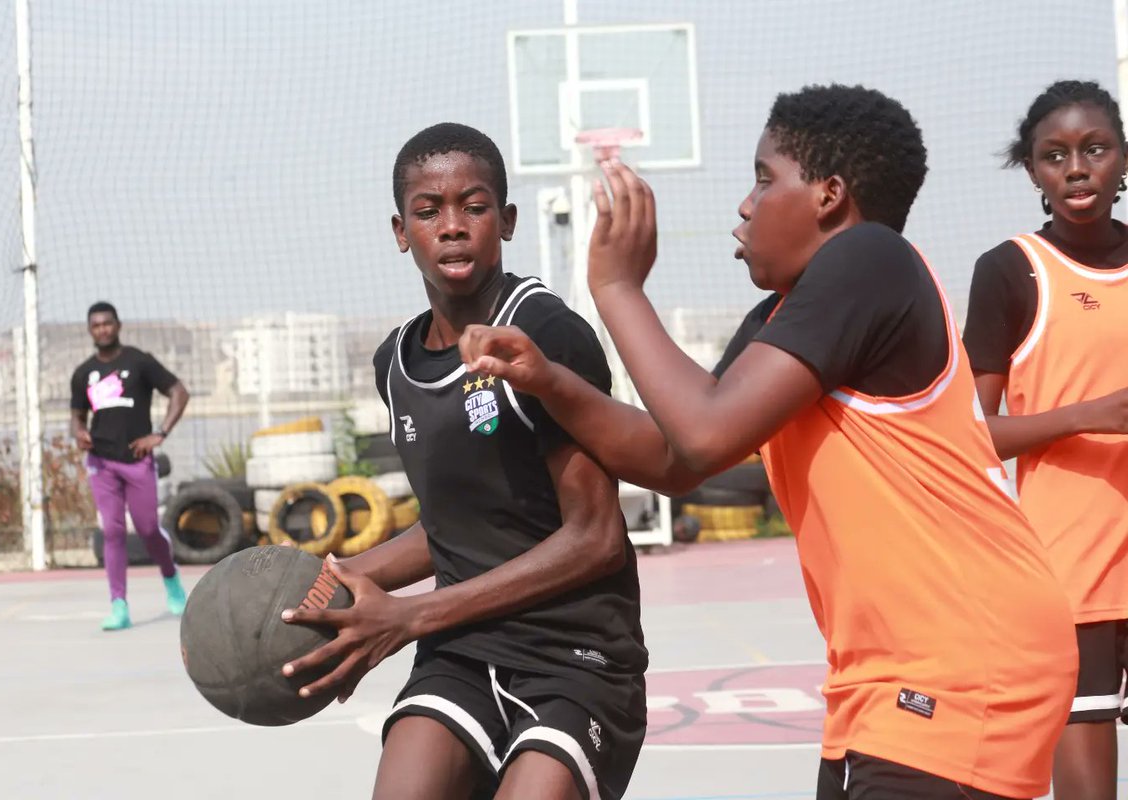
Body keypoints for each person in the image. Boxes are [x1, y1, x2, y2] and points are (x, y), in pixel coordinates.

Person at [461, 85, 1077, 799]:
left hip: (966, 659)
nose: (746, 205)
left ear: (829, 195)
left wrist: (618, 288)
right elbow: (676, 459)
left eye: (763, 178)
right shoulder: (790, 314)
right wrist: (550, 381)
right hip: (885, 675)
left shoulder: (871, 259)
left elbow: (703, 430)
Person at [281, 123, 647, 800]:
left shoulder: (546, 334)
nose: (452, 227)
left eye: (473, 207)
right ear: (400, 231)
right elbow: (453, 524)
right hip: (463, 652)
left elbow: (595, 538)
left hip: (576, 659)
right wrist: (332, 578)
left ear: (505, 221)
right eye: (428, 211)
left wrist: (410, 616)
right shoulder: (396, 363)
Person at [962, 79, 1128, 800]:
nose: (1077, 167)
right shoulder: (1010, 272)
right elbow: (967, 438)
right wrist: (1086, 414)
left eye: (1095, 149)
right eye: (1055, 155)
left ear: (1122, 158)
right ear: (1032, 170)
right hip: (1072, 569)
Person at [70, 301, 190, 631]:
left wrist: (160, 433)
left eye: (107, 323)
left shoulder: (139, 362)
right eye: (96, 325)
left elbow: (179, 391)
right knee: (112, 530)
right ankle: (119, 605)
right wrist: (79, 432)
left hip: (137, 459)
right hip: (101, 462)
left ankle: (171, 579)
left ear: (118, 325)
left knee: (148, 528)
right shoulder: (84, 373)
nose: (102, 329)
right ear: (90, 330)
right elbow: (77, 414)